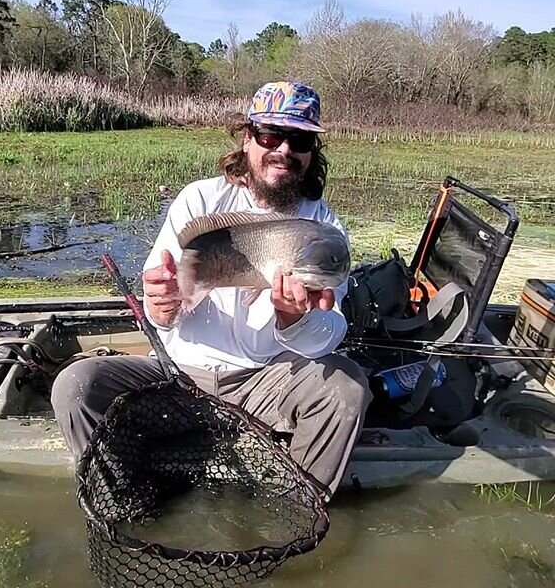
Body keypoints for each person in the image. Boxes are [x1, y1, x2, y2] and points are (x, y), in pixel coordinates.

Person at [51, 81, 372, 500]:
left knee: (346, 388)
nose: (284, 150)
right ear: (248, 137)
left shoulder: (323, 230)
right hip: (178, 377)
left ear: (313, 151)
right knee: (76, 385)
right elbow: (161, 307)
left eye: (300, 139)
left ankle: (296, 508)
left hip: (269, 381)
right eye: (270, 135)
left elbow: (329, 335)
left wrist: (294, 319)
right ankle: (122, 500)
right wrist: (161, 305)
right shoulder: (199, 200)